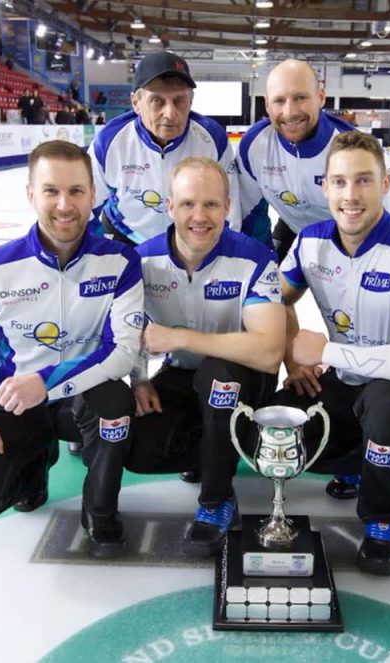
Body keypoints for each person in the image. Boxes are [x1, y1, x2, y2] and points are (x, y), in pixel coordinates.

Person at [0, 140, 145, 559]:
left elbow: (122, 350)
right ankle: (34, 467)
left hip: (82, 399)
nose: (65, 205)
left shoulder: (120, 262)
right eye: (51, 191)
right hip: (16, 403)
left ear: (93, 194)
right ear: (31, 195)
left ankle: (99, 512)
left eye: (76, 191)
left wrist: (45, 384)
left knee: (114, 399)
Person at [270, 131, 390, 575]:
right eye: (339, 182)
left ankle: (384, 518)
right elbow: (271, 303)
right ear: (324, 186)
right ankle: (360, 463)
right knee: (275, 431)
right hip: (343, 381)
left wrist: (329, 351)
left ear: (386, 184)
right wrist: (294, 361)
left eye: (363, 181)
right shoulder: (311, 241)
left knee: (387, 407)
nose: (349, 196)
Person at [127, 156, 284, 557]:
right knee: (138, 447)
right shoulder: (142, 261)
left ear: (227, 206)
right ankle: (214, 450)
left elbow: (268, 352)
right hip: (180, 375)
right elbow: (125, 332)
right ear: (170, 207)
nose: (200, 216)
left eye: (211, 205)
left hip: (243, 375)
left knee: (220, 378)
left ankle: (216, 500)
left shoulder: (254, 257)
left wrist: (181, 336)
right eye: (188, 204)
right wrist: (140, 378)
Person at [237, 59, 390, 258]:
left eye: (300, 98)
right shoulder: (254, 145)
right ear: (266, 104)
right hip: (292, 227)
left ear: (321, 97)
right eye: (279, 100)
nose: (289, 112)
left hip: (347, 239)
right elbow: (249, 215)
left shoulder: (360, 152)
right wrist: (260, 266)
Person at [87, 50, 241, 246]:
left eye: (179, 100)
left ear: (191, 101)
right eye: (157, 101)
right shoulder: (109, 141)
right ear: (136, 102)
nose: (170, 113)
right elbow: (86, 208)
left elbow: (231, 210)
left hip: (189, 241)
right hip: (126, 236)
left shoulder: (212, 139)